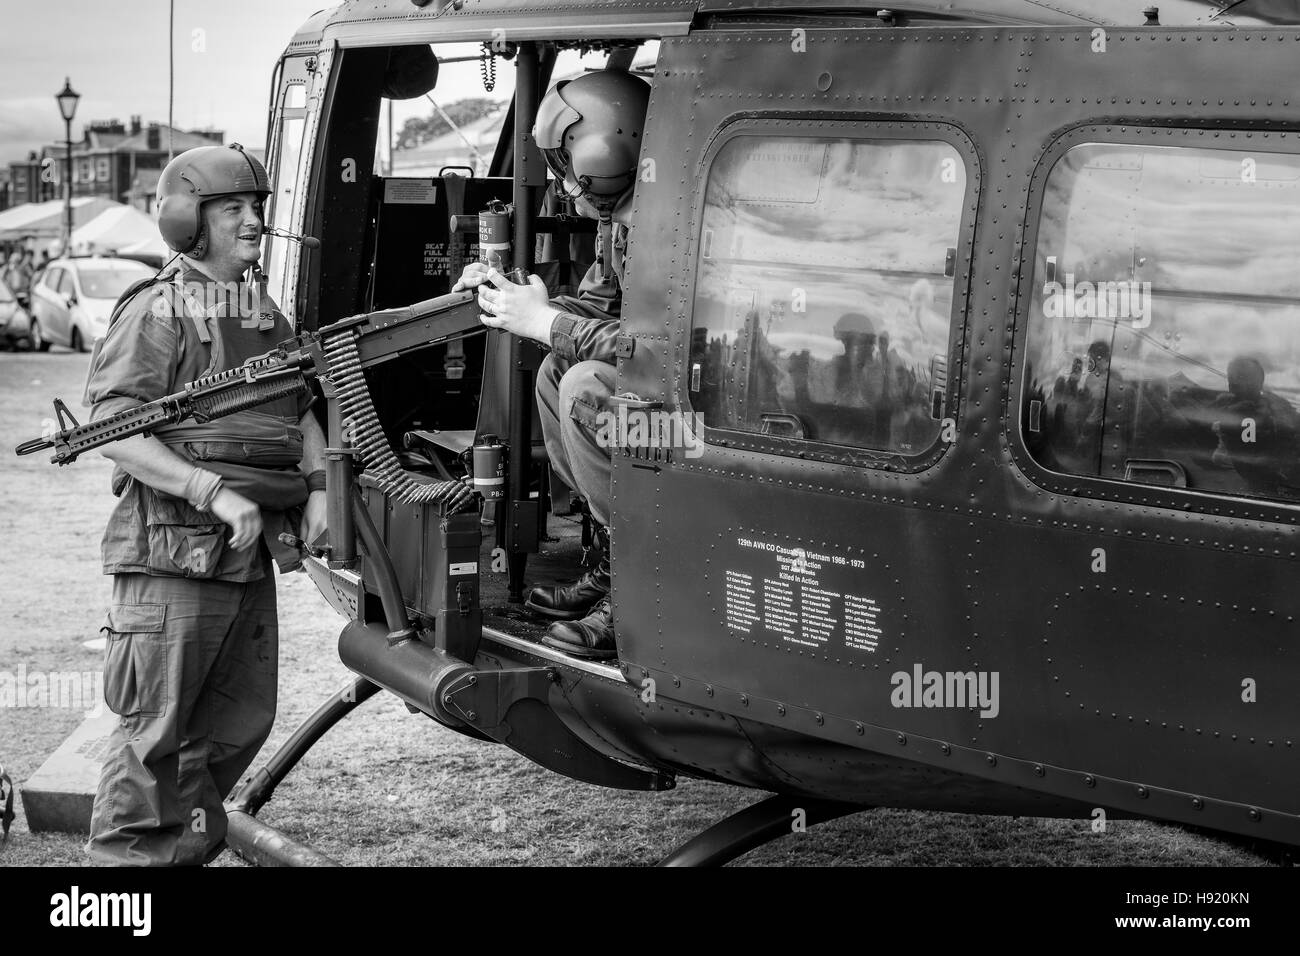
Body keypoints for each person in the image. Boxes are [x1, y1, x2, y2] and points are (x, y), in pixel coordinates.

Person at [81, 143, 327, 866]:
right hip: (170, 559)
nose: (254, 222)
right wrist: (209, 490)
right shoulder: (156, 311)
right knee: (153, 736)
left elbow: (299, 408)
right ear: (191, 221)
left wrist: (316, 486)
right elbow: (112, 431)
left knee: (237, 723)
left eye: (257, 207)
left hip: (243, 561)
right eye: (234, 209)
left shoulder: (262, 312)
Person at [452, 68, 650, 660]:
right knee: (556, 371)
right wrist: (511, 297)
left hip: (700, 408)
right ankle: (620, 554)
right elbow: (594, 309)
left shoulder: (667, 225)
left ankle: (646, 583)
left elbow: (656, 350)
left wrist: (547, 324)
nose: (564, 188)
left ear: (603, 153)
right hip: (664, 399)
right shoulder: (620, 218)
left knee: (586, 385)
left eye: (566, 166)